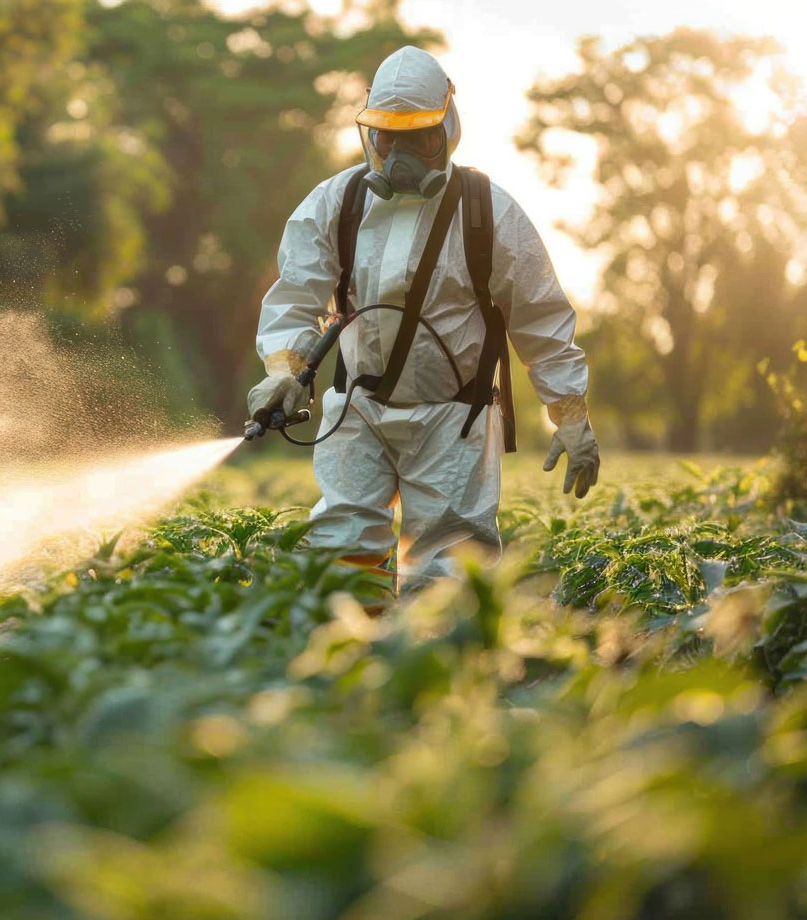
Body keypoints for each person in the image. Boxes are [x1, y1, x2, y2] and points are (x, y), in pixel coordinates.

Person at [248, 45, 599, 588]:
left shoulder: (489, 211)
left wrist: (570, 413)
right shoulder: (335, 202)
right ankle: (352, 662)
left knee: (448, 571)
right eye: (387, 138)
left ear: (448, 129)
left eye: (420, 138)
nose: (400, 157)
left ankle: (430, 668)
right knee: (343, 551)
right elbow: (296, 294)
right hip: (357, 408)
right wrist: (283, 371)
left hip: (452, 420)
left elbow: (541, 320)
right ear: (370, 133)